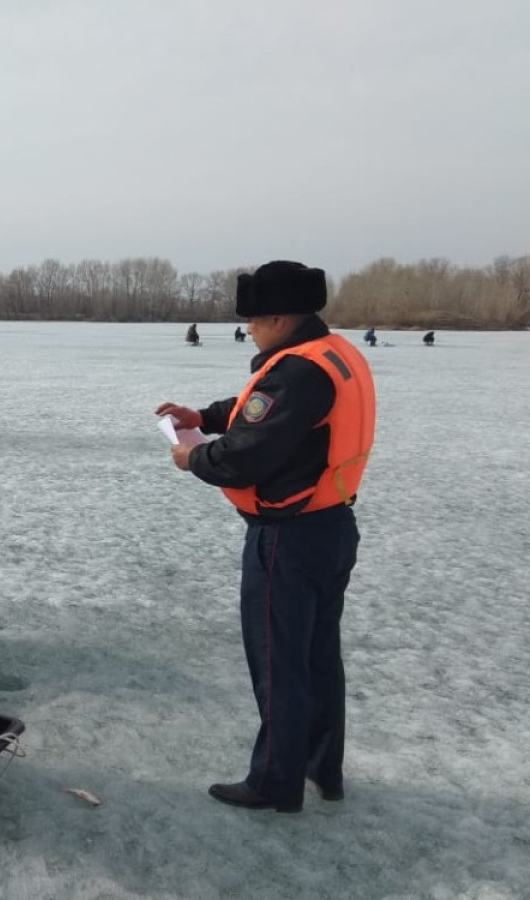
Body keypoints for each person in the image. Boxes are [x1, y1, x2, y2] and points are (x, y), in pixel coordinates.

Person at [155, 260, 374, 814]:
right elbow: (260, 412)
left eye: (253, 321)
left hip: (288, 540)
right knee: (319, 657)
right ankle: (323, 770)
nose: (248, 330)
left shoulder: (297, 371)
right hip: (331, 526)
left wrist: (192, 456)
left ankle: (276, 783)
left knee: (280, 663)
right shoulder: (334, 355)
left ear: (278, 317)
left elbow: (246, 455)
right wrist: (202, 414)